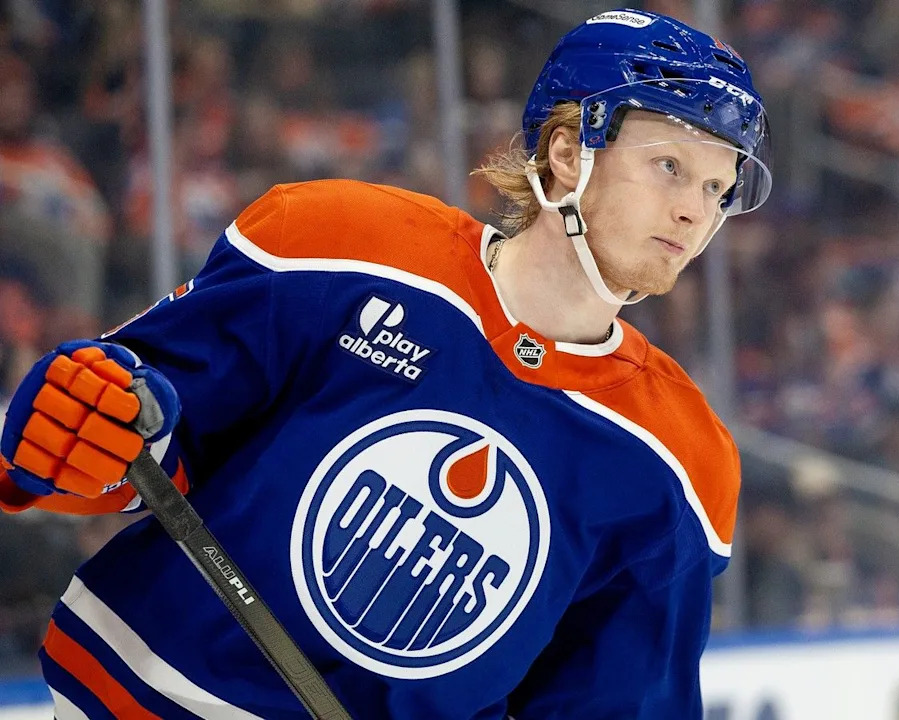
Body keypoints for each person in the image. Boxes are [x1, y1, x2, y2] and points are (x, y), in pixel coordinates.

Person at [0, 8, 772, 719]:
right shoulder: (341, 244)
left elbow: (611, 702)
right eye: (669, 167)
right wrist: (95, 426)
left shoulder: (679, 463)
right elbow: (142, 437)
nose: (695, 211)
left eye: (718, 187)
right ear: (570, 152)